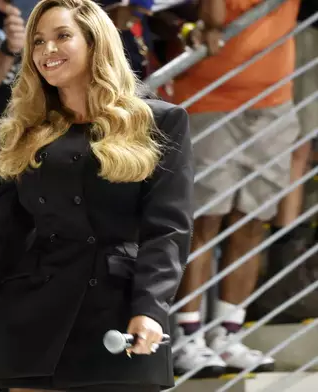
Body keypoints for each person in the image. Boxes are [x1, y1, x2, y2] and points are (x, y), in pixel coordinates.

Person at [0, 0, 193, 391]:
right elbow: (2, 242)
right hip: (33, 327)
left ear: (95, 42)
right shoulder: (24, 131)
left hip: (117, 322)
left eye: (62, 36)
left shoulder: (159, 121)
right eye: (38, 41)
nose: (46, 50)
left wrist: (151, 309)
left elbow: (167, 230)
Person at [170, 0, 300, 378]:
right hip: (208, 99)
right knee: (202, 222)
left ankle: (229, 334)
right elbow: (176, 16)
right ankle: (188, 335)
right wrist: (188, 28)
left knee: (252, 222)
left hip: (274, 102)